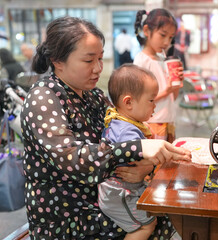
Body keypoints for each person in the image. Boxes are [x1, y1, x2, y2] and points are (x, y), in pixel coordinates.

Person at [21, 16, 191, 240]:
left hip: (105, 203)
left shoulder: (93, 96)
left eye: (100, 59)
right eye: (89, 60)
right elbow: (72, 159)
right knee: (164, 225)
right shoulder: (43, 97)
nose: (98, 68)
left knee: (175, 216)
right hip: (68, 218)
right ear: (57, 60)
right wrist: (137, 149)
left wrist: (144, 167)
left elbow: (122, 133)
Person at [99, 64, 159, 240]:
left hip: (119, 190)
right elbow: (144, 159)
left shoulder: (119, 121)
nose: (155, 105)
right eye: (151, 100)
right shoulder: (128, 133)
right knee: (146, 225)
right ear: (129, 102)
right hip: (120, 194)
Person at [134, 8, 183, 143]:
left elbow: (172, 97)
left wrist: (176, 84)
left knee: (168, 160)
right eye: (163, 35)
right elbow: (140, 100)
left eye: (171, 37)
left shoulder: (163, 58)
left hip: (168, 119)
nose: (167, 42)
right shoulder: (141, 60)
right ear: (146, 31)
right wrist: (167, 90)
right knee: (157, 161)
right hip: (153, 122)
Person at [0, 48, 24, 125]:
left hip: (8, 93)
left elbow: (1, 85)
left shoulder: (5, 68)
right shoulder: (19, 65)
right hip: (19, 91)